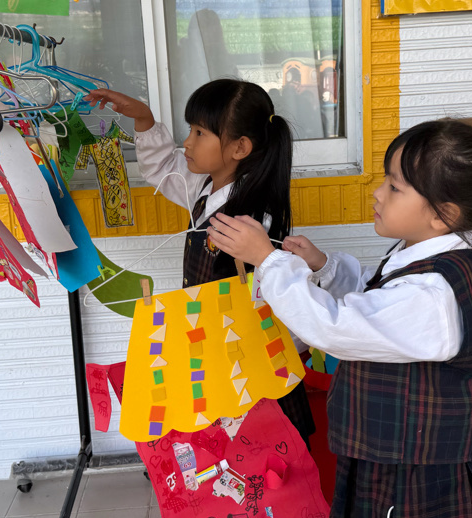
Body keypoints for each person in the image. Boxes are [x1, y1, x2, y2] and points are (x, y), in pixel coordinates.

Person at [206, 119, 472, 518]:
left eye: (394, 187)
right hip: (392, 456)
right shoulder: (422, 257)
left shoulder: (432, 293)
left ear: (443, 214)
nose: (377, 193)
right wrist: (323, 267)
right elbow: (376, 305)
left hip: (411, 473)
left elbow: (336, 327)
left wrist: (268, 261)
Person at [85, 79, 316, 446]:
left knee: (261, 456)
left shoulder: (253, 224)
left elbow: (283, 303)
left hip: (249, 372)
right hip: (212, 362)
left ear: (239, 147)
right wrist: (143, 118)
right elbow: (164, 167)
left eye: (199, 133)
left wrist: (290, 348)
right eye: (190, 130)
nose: (187, 143)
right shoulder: (205, 188)